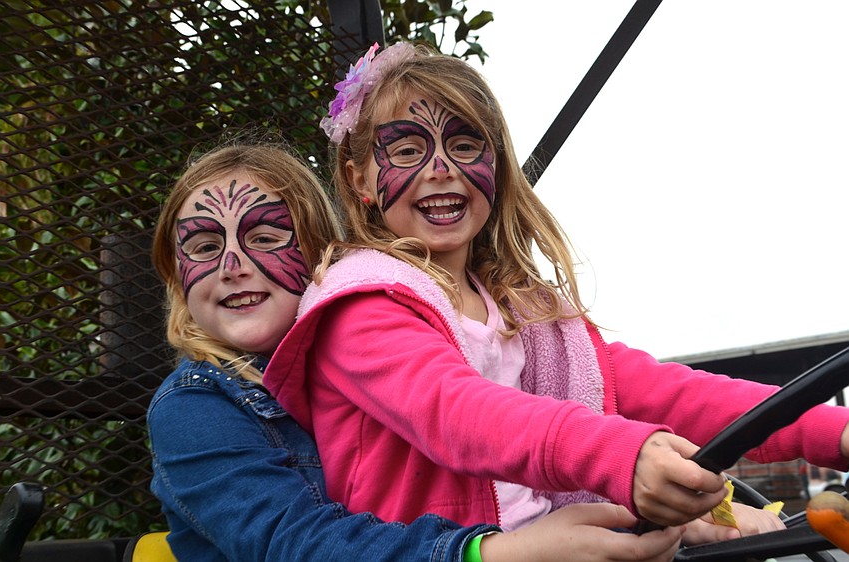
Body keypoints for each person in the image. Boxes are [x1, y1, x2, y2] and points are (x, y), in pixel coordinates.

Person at [262, 42, 849, 535]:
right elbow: (457, 413)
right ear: (359, 177)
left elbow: (663, 390)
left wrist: (832, 432)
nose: (441, 167)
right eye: (409, 150)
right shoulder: (358, 306)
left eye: (466, 145)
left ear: (497, 164)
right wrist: (621, 453)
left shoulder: (529, 317)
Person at [147, 140, 689, 561]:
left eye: (265, 237)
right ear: (176, 274)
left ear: (322, 255)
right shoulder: (194, 408)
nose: (232, 264)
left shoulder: (379, 355)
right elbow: (293, 545)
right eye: (203, 247)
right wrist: (501, 553)